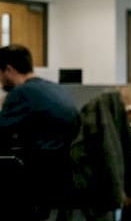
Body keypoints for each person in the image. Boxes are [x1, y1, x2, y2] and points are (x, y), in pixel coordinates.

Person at [0, 45, 80, 206]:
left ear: (8, 70)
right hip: (66, 171)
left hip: (40, 173)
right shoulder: (56, 88)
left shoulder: (20, 93)